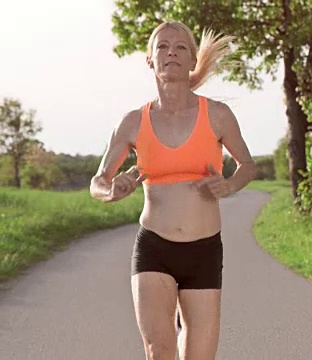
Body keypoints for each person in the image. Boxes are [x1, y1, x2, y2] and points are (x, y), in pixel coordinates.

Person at [89, 21, 257, 360]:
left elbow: (248, 166)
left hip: (204, 251)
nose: (171, 53)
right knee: (158, 349)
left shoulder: (218, 115)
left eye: (181, 47)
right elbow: (98, 182)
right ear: (150, 59)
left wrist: (228, 185)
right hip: (155, 247)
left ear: (193, 60)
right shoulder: (133, 122)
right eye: (163, 47)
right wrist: (112, 191)